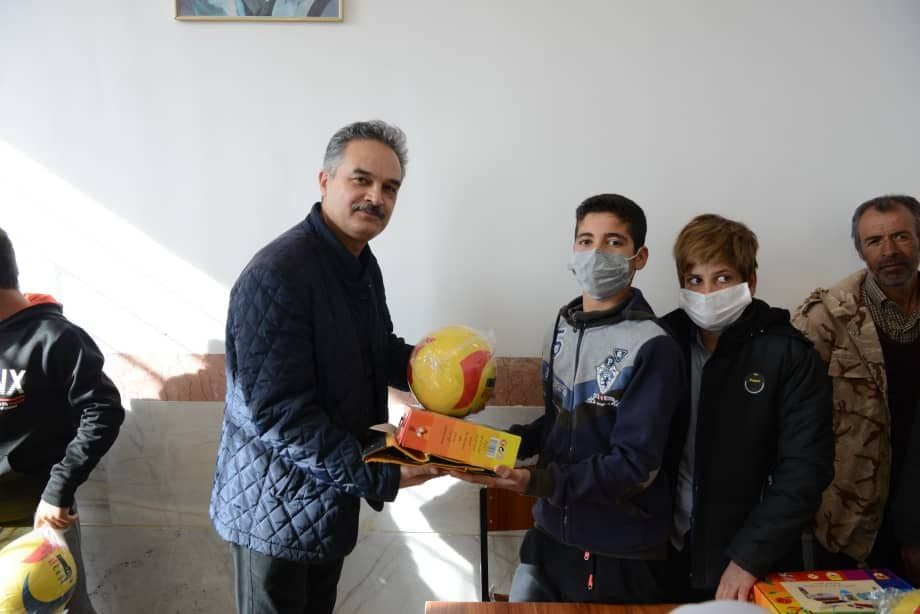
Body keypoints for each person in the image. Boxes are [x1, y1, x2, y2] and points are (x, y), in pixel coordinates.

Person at [209, 120, 443, 614]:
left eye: (390, 188)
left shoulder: (359, 262)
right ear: (325, 181)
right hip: (272, 509)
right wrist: (379, 475)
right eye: (362, 180)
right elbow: (278, 414)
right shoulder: (278, 273)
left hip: (327, 498)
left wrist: (441, 373)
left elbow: (375, 348)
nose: (376, 197)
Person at [453, 194, 683, 604]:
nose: (596, 254)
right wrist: (489, 446)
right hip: (548, 533)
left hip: (617, 547)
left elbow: (634, 465)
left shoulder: (653, 345)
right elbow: (556, 424)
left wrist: (536, 481)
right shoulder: (562, 326)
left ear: (640, 257)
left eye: (614, 242)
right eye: (585, 241)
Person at [661, 214, 833, 602]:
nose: (707, 292)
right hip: (668, 553)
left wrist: (749, 558)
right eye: (695, 280)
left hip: (750, 563)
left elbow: (805, 470)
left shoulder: (788, 354)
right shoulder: (662, 341)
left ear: (750, 282)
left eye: (722, 278)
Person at [793, 195, 920, 585]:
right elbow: (797, 419)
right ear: (861, 251)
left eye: (901, 236)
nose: (889, 250)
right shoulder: (827, 317)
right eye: (875, 241)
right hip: (852, 516)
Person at [0, 227, 125, 614]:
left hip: (40, 519)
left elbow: (103, 411)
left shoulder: (55, 337)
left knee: (65, 608)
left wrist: (59, 490)